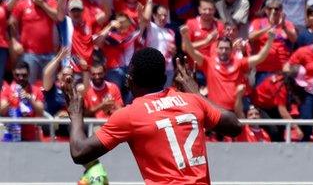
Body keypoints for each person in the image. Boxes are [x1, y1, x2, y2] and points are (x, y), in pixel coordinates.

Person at [63, 48, 242, 184]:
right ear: (164, 78)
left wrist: (76, 113)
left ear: (130, 80)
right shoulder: (193, 101)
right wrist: (196, 92)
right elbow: (235, 126)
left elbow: (79, 152)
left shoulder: (130, 114)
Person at [181, 23, 275, 118]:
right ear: (217, 49)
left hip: (234, 112)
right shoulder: (209, 63)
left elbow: (260, 58)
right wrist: (185, 36)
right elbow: (191, 51)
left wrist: (270, 40)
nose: (223, 51)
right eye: (221, 48)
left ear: (231, 50)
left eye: (226, 48)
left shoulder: (239, 63)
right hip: (215, 113)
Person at [0, 60, 45, 141]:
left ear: (29, 74)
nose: (20, 78)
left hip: (30, 137)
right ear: (13, 73)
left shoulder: (36, 90)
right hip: (11, 136)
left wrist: (30, 98)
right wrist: (12, 98)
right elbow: (2, 111)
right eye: (17, 75)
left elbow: (40, 112)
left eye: (24, 75)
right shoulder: (7, 89)